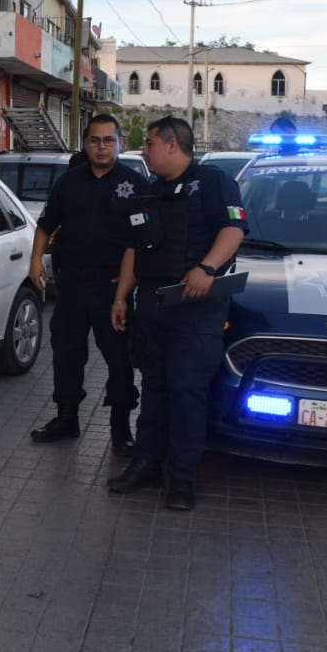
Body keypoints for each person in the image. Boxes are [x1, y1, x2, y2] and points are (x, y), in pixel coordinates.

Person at [108, 116, 247, 510]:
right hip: (153, 305)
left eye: (149, 143)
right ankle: (147, 462)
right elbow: (135, 251)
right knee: (155, 387)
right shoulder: (151, 193)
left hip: (195, 308)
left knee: (187, 391)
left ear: (172, 145)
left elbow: (234, 229)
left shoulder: (214, 181)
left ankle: (182, 478)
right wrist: (121, 298)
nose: (144, 151)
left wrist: (206, 268)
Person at [29, 114, 148, 456]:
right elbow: (45, 225)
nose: (101, 146)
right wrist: (36, 260)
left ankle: (120, 428)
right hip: (71, 285)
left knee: (119, 359)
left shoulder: (135, 185)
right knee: (67, 353)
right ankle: (67, 418)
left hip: (113, 289)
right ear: (85, 143)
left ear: (119, 143)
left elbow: (142, 243)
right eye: (95, 140)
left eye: (108, 140)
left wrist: (127, 287)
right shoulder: (69, 183)